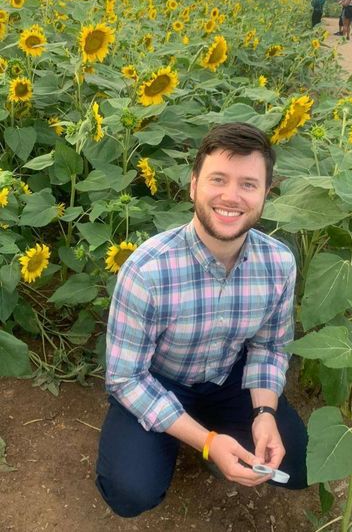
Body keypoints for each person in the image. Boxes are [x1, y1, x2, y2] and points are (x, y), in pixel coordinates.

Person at [95, 122, 308, 518]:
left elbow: (269, 346)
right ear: (193, 185)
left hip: (229, 378)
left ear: (265, 195)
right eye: (218, 179)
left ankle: (221, 438)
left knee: (297, 464)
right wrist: (207, 441)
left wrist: (264, 413)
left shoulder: (278, 262)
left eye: (248, 184)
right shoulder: (146, 270)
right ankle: (200, 439)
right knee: (129, 491)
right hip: (159, 379)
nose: (231, 196)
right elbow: (125, 378)